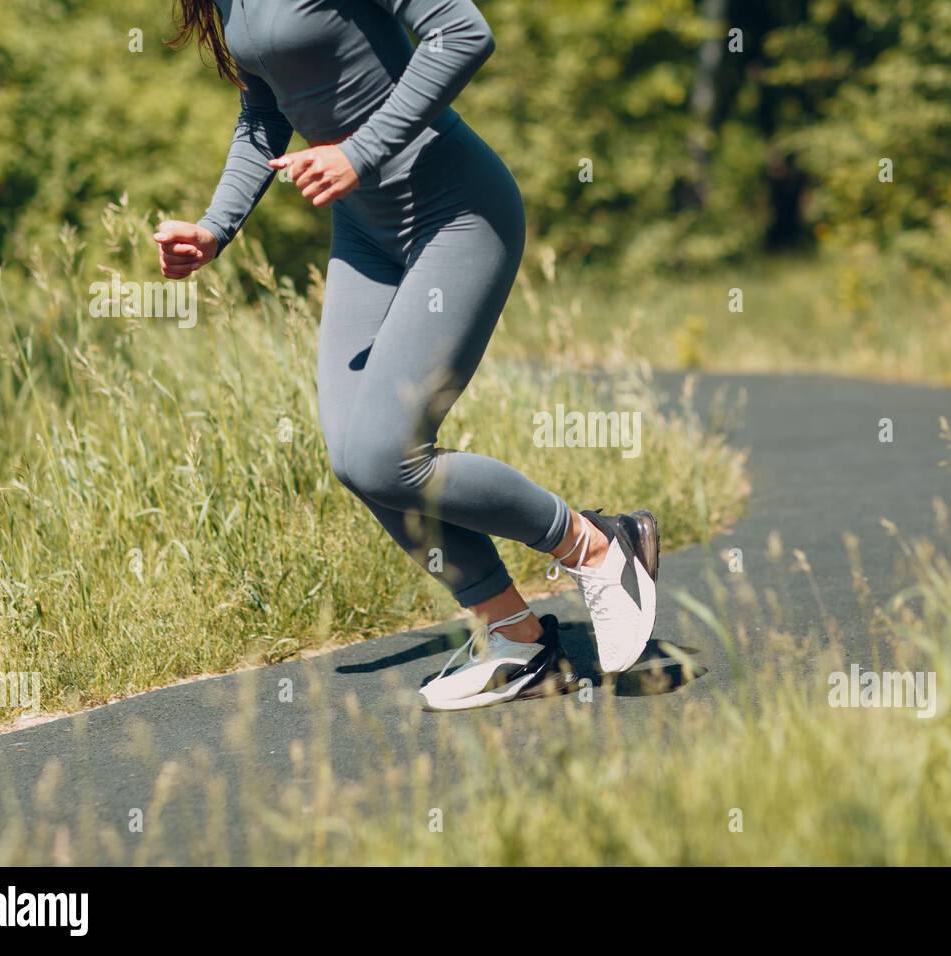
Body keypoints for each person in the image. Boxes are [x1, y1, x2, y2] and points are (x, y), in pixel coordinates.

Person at [156, 0, 660, 710]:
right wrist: (214, 228)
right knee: (357, 458)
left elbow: (464, 32)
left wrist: (358, 153)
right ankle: (517, 638)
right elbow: (264, 112)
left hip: (457, 212)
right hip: (367, 238)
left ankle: (599, 548)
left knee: (387, 454)